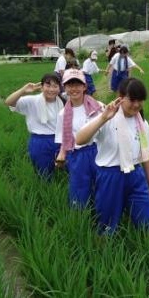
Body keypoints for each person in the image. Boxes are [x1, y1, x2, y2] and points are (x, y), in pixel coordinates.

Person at [75, 78, 149, 235]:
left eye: (140, 100)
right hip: (110, 176)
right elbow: (79, 139)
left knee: (148, 223)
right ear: (120, 96)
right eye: (132, 100)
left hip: (136, 175)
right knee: (106, 224)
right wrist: (103, 118)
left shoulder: (142, 123)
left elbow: (146, 157)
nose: (136, 105)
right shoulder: (106, 118)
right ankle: (102, 252)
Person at [55, 69, 104, 209]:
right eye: (70, 85)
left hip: (98, 151)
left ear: (84, 86)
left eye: (77, 84)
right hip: (77, 155)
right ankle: (80, 214)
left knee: (101, 183)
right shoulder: (63, 113)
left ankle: (100, 211)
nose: (74, 89)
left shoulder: (98, 106)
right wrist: (62, 154)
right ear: (65, 87)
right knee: (79, 186)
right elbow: (64, 138)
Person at [4, 73, 63, 179]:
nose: (51, 89)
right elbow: (9, 102)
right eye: (48, 85)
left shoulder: (63, 102)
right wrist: (23, 90)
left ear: (60, 88)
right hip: (40, 142)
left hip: (60, 140)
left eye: (55, 86)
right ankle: (46, 193)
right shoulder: (32, 101)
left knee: (62, 172)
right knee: (44, 174)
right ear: (41, 87)